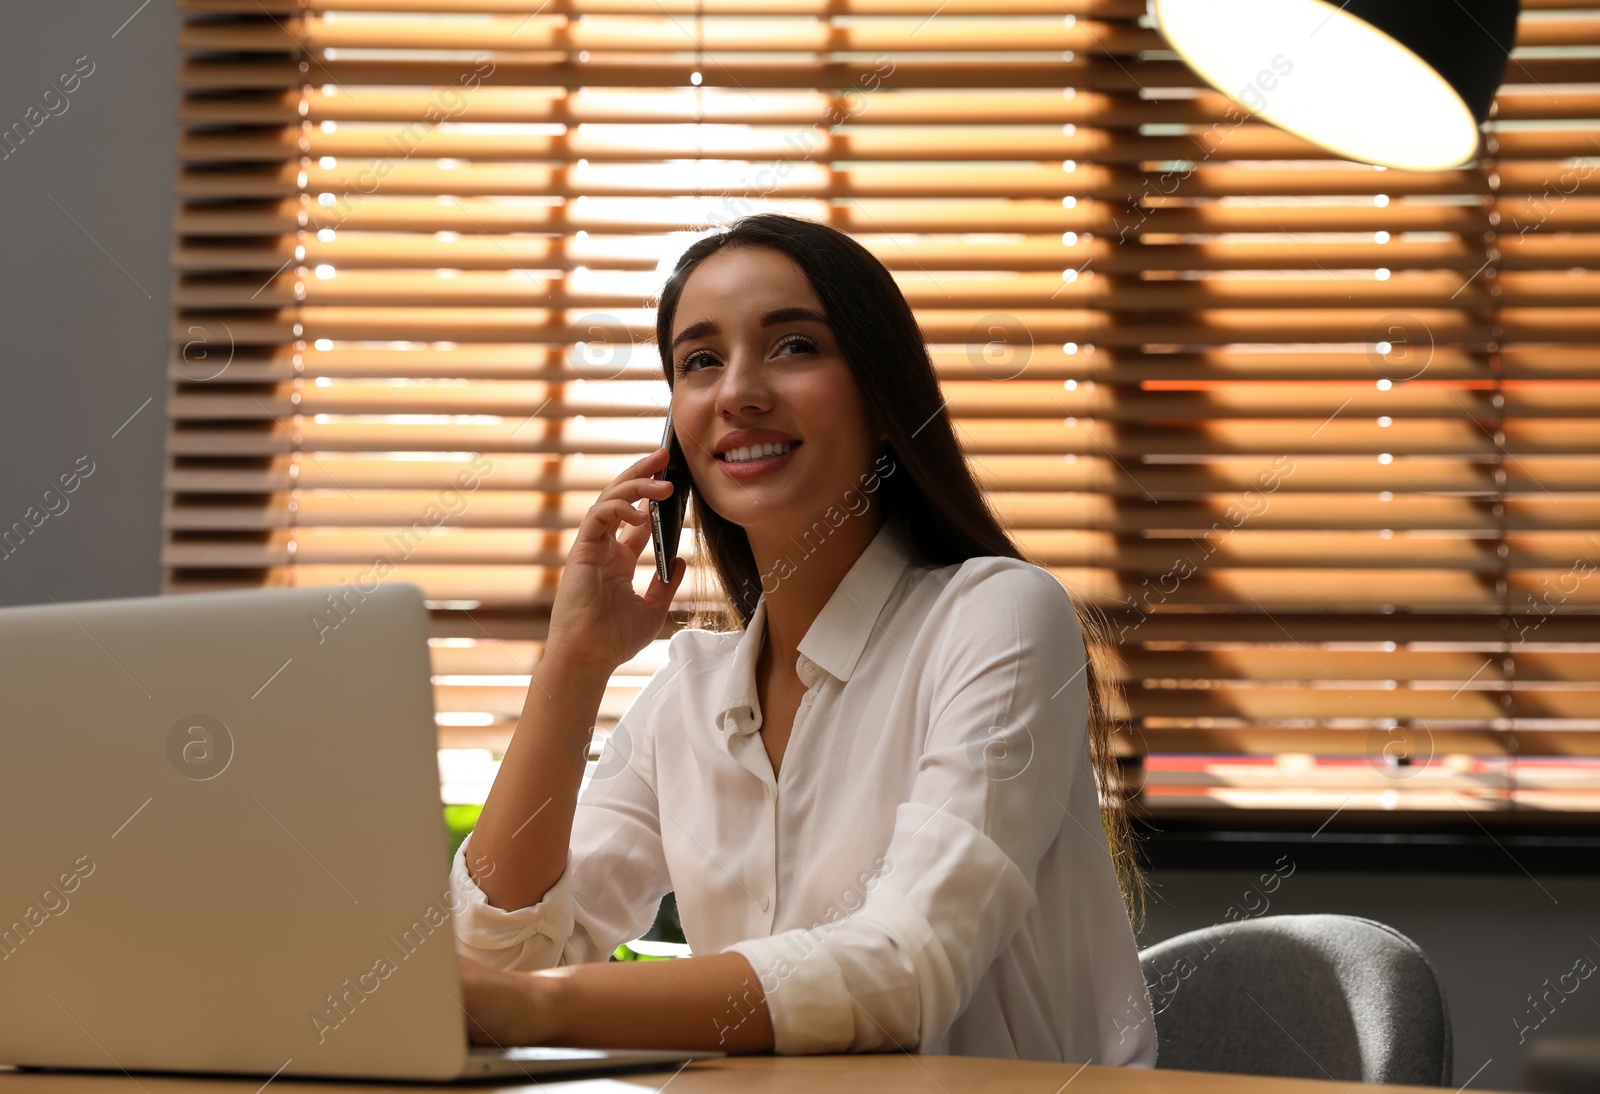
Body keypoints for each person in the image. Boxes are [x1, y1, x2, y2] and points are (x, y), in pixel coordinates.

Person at [449, 212, 1156, 1065]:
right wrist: (574, 665)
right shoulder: (693, 693)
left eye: (793, 347)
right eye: (700, 361)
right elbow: (494, 961)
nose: (739, 392)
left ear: (885, 400)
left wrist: (536, 1007)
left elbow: (905, 970)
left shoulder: (999, 615)